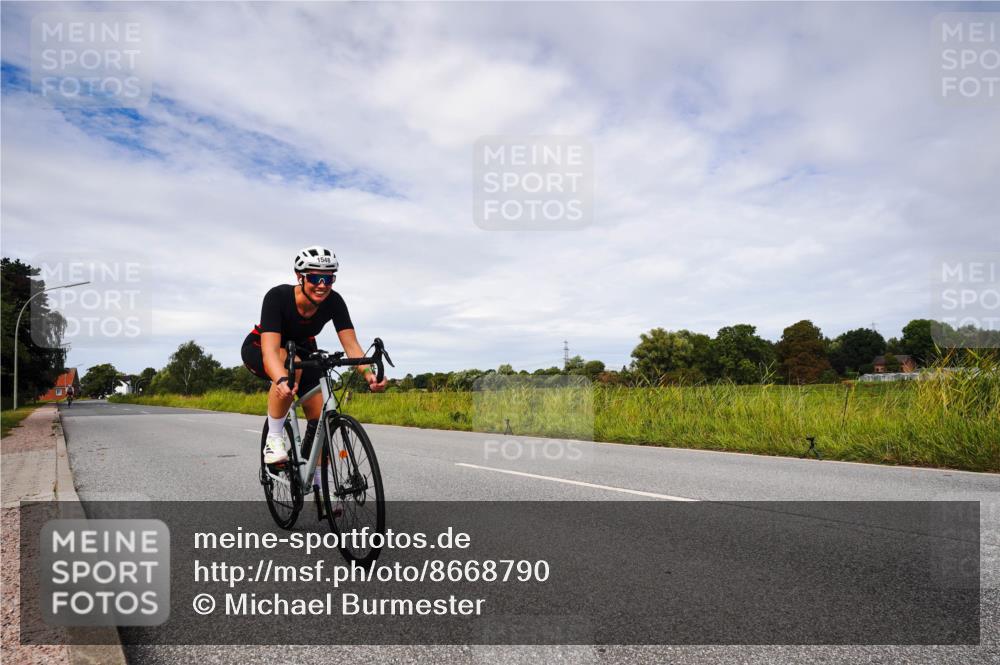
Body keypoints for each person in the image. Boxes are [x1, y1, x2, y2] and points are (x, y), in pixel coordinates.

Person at [241, 246, 387, 481]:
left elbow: (351, 344)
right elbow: (270, 352)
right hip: (261, 347)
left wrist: (369, 374)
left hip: (302, 350)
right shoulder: (277, 297)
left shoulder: (334, 301)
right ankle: (274, 439)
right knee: (291, 364)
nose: (322, 285)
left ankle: (318, 483)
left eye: (328, 279)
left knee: (321, 417)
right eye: (315, 278)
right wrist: (281, 379)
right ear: (300, 277)